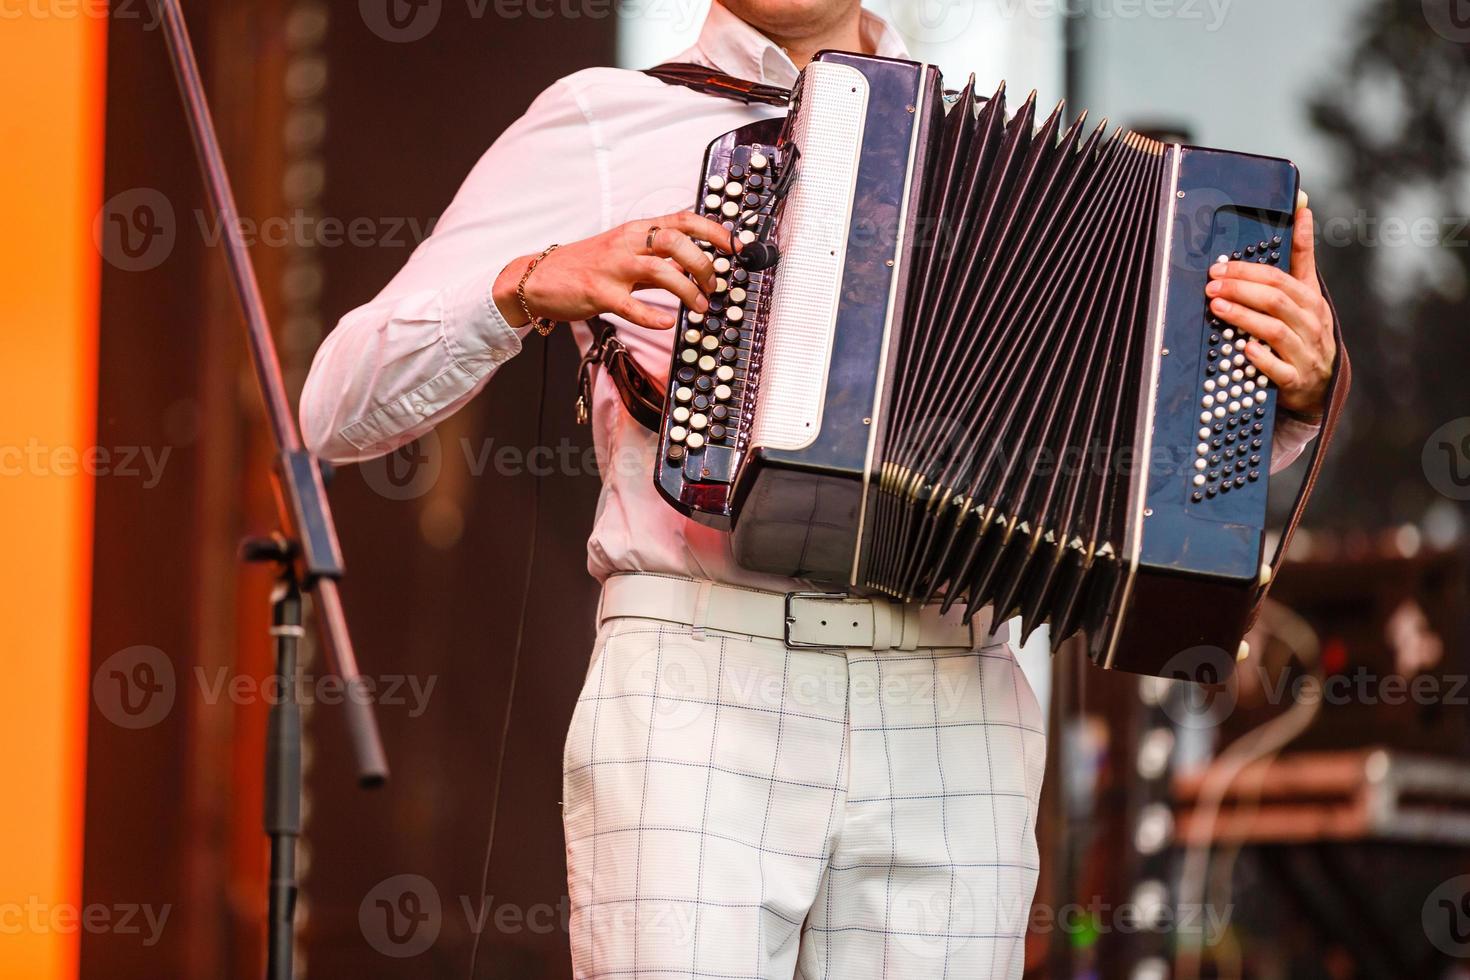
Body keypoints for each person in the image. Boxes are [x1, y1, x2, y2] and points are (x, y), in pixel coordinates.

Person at [299, 2, 1338, 976]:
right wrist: (527, 283)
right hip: (702, 675)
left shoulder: (993, 148)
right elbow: (336, 406)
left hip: (952, 694)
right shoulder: (604, 118)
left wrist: (1288, 391)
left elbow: (1138, 465)